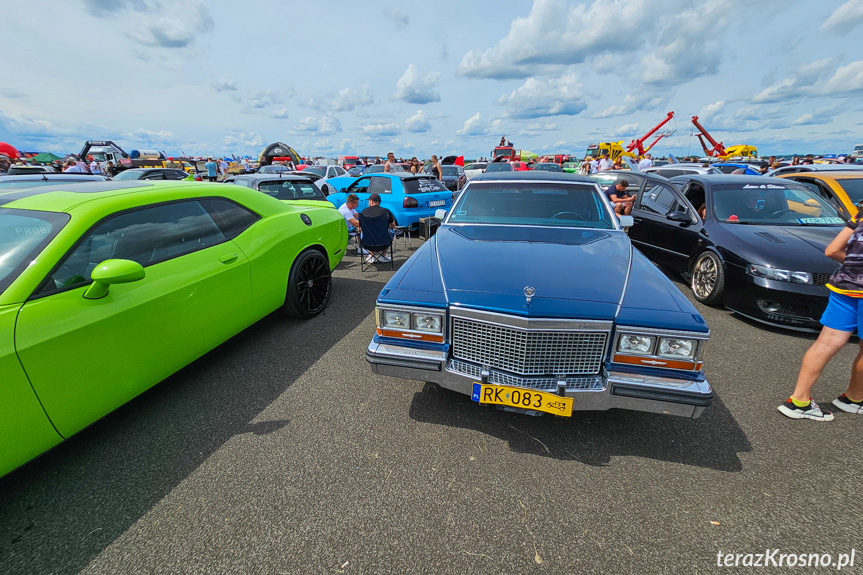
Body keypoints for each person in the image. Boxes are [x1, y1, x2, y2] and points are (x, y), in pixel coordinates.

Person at [778, 213, 863, 421]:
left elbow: (832, 250)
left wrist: (855, 267)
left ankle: (799, 401)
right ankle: (854, 399)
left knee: (826, 343)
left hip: (844, 286)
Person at [360, 193, 395, 262]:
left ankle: (371, 255)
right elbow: (392, 226)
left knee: (362, 233)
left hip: (367, 243)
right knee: (392, 232)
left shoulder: (364, 212)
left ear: (371, 201)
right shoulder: (386, 212)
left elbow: (361, 226)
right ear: (379, 202)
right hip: (384, 243)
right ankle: (383, 255)